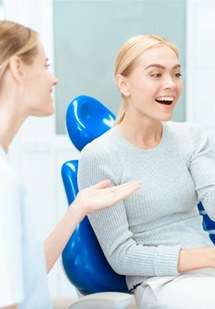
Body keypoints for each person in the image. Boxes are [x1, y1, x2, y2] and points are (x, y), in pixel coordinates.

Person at [0, 20, 142, 309]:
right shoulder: (3, 181)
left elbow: (25, 276)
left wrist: (78, 208)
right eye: (45, 65)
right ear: (17, 68)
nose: (54, 80)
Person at [77, 34, 215, 309]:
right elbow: (122, 255)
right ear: (123, 84)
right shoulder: (99, 156)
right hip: (159, 282)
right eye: (156, 74)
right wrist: (208, 257)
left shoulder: (192, 137)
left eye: (176, 73)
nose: (171, 84)